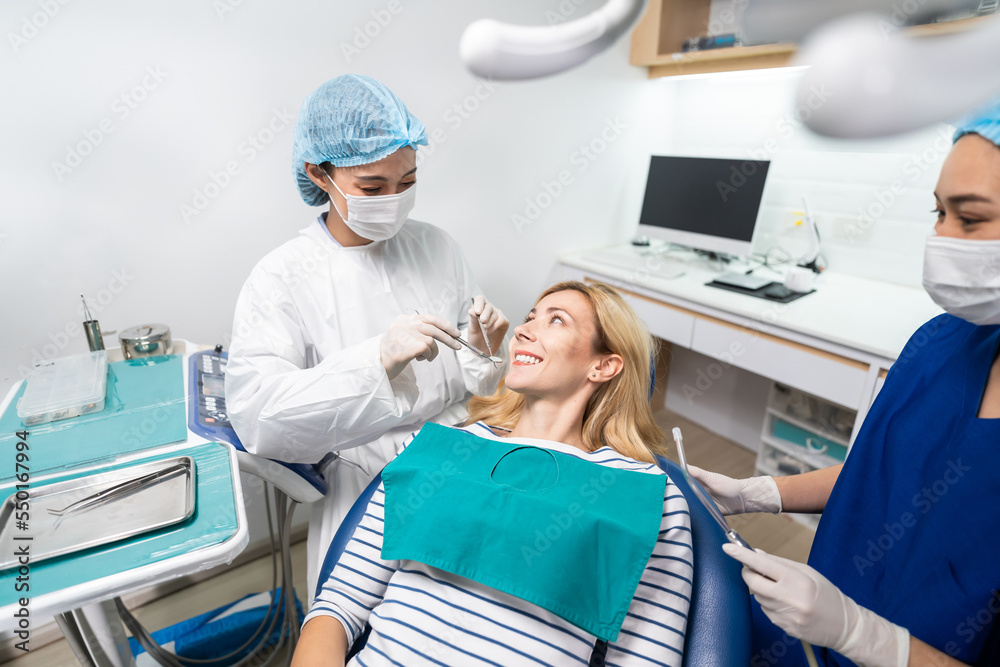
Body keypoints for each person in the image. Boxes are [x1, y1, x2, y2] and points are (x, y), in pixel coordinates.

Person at [692, 102, 1000, 666]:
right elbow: (881, 472)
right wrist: (758, 493)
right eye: (938, 213)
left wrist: (866, 636)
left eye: (972, 219)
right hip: (809, 638)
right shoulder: (942, 343)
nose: (942, 238)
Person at [290, 281, 693, 667]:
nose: (522, 330)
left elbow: (644, 657)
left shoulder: (642, 496)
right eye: (530, 317)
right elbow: (339, 605)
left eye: (556, 320)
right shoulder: (438, 449)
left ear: (604, 365)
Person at [225, 74, 508, 595]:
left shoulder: (437, 247)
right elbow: (259, 420)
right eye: (373, 188)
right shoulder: (282, 276)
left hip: (467, 449)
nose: (394, 201)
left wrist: (487, 354)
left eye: (407, 183)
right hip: (366, 479)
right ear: (320, 173)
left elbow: (483, 388)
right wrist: (374, 362)